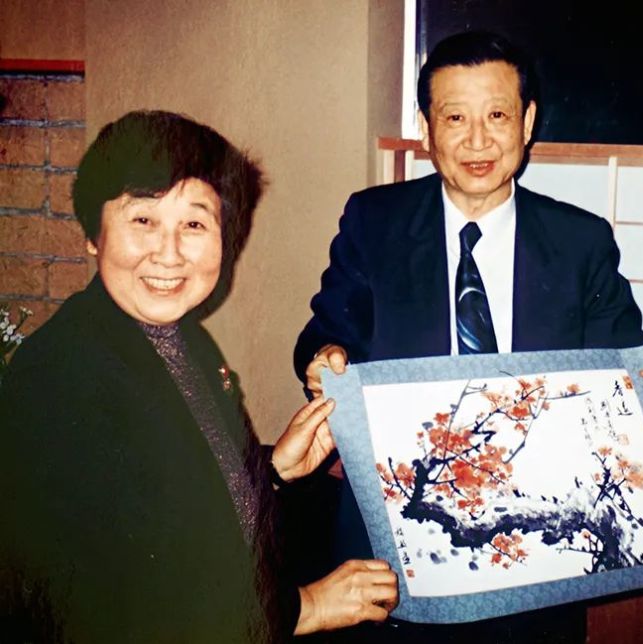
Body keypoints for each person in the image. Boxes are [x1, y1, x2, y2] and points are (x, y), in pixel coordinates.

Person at [294, 31, 643, 642]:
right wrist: (322, 357)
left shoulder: (580, 242)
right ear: (426, 128)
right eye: (455, 118)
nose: (478, 140)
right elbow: (326, 329)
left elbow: (632, 369)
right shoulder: (374, 222)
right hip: (396, 539)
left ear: (526, 123)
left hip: (537, 542)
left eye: (497, 115)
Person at [0, 111, 398, 642]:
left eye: (193, 224)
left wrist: (275, 469)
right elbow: (117, 605)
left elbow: (177, 499)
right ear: (93, 235)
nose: (168, 254)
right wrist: (303, 608)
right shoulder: (60, 378)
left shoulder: (179, 337)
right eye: (143, 220)